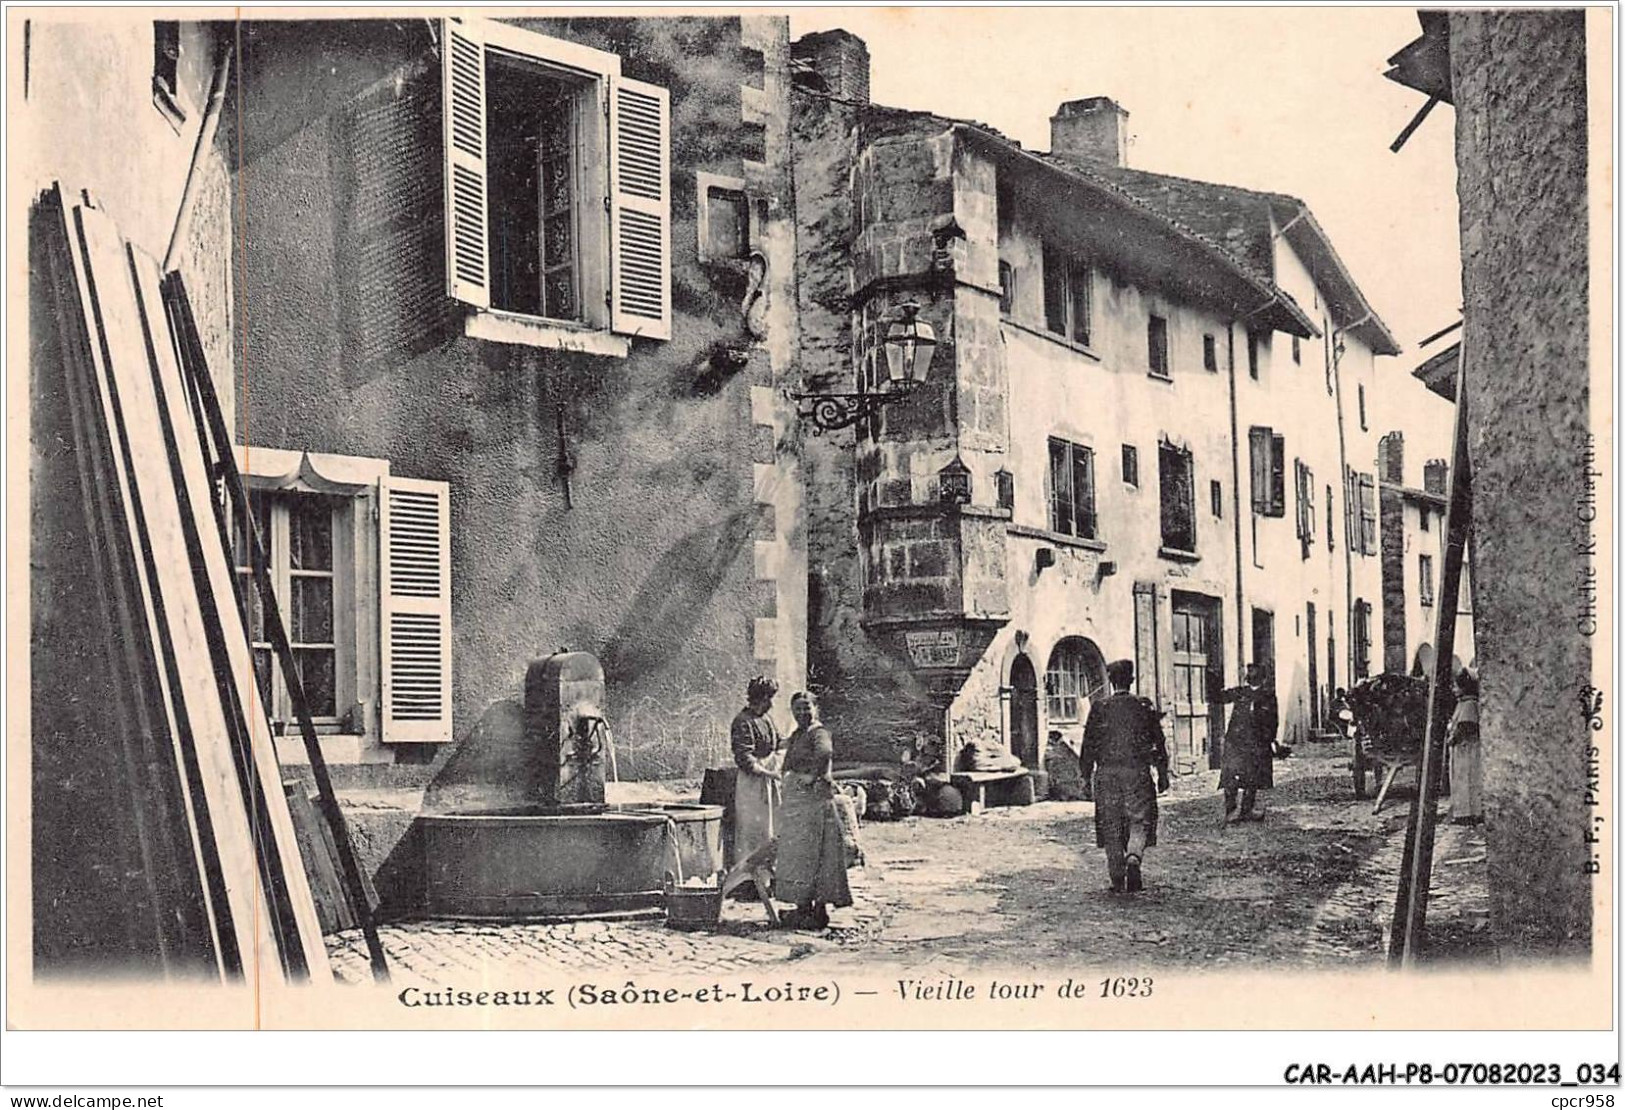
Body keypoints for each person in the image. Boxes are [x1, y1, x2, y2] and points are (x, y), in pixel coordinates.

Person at [1078, 660, 1170, 894]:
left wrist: (1085, 776)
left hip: (1107, 773)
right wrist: (1162, 773)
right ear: (1131, 680)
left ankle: (1117, 878)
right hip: (1137, 772)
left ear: (1111, 681)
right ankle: (1134, 857)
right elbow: (1158, 742)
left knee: (1111, 823)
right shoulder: (1143, 706)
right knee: (1140, 819)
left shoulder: (1100, 708)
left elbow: (1088, 744)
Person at [775, 692, 853, 929]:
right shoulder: (799, 734)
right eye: (797, 709)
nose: (802, 713)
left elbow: (824, 753)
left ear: (816, 709)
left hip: (816, 804)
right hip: (800, 806)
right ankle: (803, 909)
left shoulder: (819, 733)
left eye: (806, 708)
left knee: (818, 856)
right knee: (801, 857)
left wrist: (810, 777)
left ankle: (818, 911)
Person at [729, 676, 783, 872]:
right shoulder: (742, 721)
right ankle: (749, 878)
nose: (771, 703)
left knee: (771, 828)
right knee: (752, 830)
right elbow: (744, 757)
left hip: (769, 780)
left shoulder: (766, 719)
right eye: (769, 698)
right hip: (752, 782)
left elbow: (778, 741)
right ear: (761, 698)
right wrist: (767, 773)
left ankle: (769, 873)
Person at [1214, 663, 1279, 824]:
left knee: (1253, 779)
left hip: (1257, 743)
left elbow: (1273, 720)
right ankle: (1231, 810)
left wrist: (1269, 740)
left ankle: (1246, 810)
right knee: (1231, 776)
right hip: (1236, 742)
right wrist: (1214, 676)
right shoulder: (1240, 692)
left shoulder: (1268, 696)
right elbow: (1219, 697)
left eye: (1254, 672)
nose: (1251, 675)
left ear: (1263, 677)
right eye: (1249, 672)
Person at [1446, 671, 1483, 825]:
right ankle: (1463, 811)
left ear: (1464, 688)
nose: (1454, 690)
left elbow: (1466, 726)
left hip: (1467, 749)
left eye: (1456, 686)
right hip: (1461, 750)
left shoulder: (1469, 704)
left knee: (1468, 779)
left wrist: (1453, 738)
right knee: (1461, 780)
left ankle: (1469, 813)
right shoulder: (1462, 703)